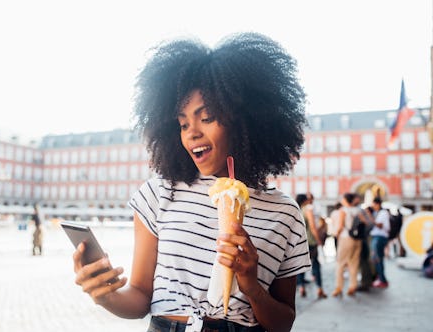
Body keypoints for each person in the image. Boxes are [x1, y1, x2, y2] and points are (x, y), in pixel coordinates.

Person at [72, 32, 311, 332]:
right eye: (183, 123)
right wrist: (105, 295)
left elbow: (283, 323)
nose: (191, 133)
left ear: (245, 119)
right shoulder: (160, 192)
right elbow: (140, 297)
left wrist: (252, 287)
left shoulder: (285, 214)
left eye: (206, 117)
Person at [295, 194, 327, 299]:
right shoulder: (308, 209)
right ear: (306, 200)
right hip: (310, 241)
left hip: (299, 241)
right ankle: (319, 289)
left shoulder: (296, 209)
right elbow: (313, 227)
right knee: (316, 264)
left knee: (300, 265)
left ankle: (302, 288)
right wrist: (319, 240)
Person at [332, 193, 364, 297]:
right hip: (357, 239)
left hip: (346, 238)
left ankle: (339, 287)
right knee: (354, 263)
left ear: (346, 200)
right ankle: (352, 286)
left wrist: (336, 234)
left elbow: (340, 226)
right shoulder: (358, 210)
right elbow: (365, 222)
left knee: (340, 263)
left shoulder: (343, 210)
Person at [369, 197, 390, 288]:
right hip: (377, 237)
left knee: (378, 258)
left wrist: (369, 217)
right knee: (375, 258)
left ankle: (382, 280)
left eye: (373, 204)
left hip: (379, 237)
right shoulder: (378, 213)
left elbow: (380, 225)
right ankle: (380, 278)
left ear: (377, 204)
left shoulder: (383, 213)